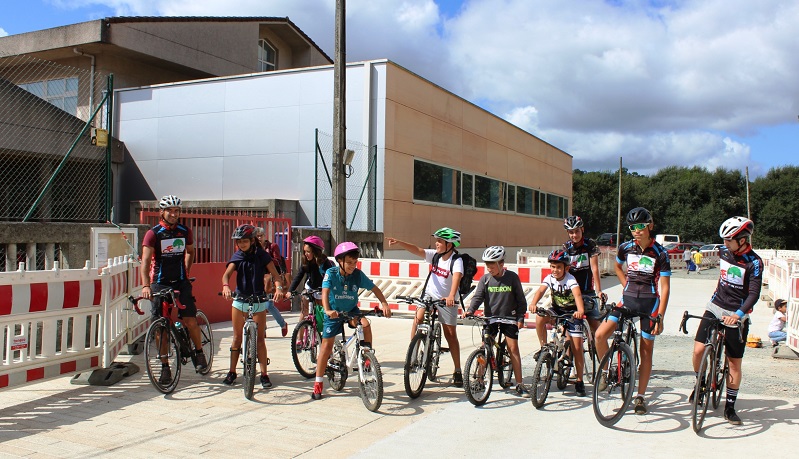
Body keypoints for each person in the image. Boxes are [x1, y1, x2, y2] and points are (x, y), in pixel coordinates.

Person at [595, 207, 671, 415]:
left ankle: (640, 396)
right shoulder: (625, 248)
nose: (636, 231)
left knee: (646, 352)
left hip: (650, 303)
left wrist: (660, 316)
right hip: (627, 299)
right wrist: (625, 285)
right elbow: (618, 267)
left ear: (650, 226)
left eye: (640, 226)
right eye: (632, 228)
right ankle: (605, 371)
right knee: (600, 335)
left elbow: (665, 287)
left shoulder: (660, 253)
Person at [691, 216, 762, 425]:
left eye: (729, 240)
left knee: (734, 363)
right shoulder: (723, 252)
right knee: (697, 350)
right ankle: (701, 382)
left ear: (742, 239)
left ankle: (730, 406)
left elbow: (754, 295)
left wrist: (738, 315)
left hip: (737, 312)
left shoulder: (754, 262)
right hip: (715, 305)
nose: (724, 244)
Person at [312, 242, 392, 400]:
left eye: (355, 262)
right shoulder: (331, 273)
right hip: (334, 312)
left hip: (351, 311)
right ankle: (318, 382)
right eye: (349, 262)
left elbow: (374, 288)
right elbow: (325, 292)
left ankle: (367, 357)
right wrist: (328, 310)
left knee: (366, 324)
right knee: (326, 347)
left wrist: (384, 304)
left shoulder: (357, 275)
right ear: (339, 261)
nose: (352, 266)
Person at [140, 195, 208, 381]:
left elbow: (191, 252)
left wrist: (186, 270)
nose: (173, 213)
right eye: (169, 210)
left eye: (176, 210)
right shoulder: (153, 233)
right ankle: (164, 367)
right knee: (160, 327)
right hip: (160, 283)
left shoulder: (184, 231)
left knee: (190, 320)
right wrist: (146, 286)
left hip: (180, 282)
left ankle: (199, 352)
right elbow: (145, 262)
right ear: (161, 212)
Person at [387, 227, 464, 387]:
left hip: (446, 299)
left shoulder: (456, 261)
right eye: (436, 240)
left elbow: (456, 278)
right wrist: (400, 242)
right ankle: (413, 355)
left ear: (450, 244)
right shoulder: (435, 256)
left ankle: (457, 369)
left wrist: (451, 296)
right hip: (428, 295)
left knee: (450, 335)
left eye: (440, 241)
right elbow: (418, 250)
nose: (436, 243)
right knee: (418, 319)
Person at [220, 224, 286, 388]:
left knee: (260, 340)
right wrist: (226, 286)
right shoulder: (238, 256)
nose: (241, 245)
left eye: (244, 241)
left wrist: (278, 288)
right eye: (238, 242)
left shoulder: (262, 255)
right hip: (240, 301)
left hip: (258, 301)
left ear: (252, 240)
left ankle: (264, 374)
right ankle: (232, 372)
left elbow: (276, 275)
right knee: (236, 338)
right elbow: (226, 275)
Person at [464, 246, 528, 396]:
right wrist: (470, 310)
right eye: (487, 265)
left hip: (509, 318)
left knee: (513, 348)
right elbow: (478, 297)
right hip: (491, 318)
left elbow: (521, 300)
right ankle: (479, 380)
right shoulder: (485, 279)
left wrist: (520, 317)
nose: (489, 268)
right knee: (484, 347)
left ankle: (519, 384)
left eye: (492, 265)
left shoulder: (512, 277)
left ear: (501, 263)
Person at [529, 249, 588, 396]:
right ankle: (543, 347)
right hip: (557, 310)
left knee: (577, 347)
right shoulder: (550, 278)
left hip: (572, 312)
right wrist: (534, 303)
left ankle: (580, 381)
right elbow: (540, 291)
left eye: (559, 267)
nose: (555, 270)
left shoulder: (570, 280)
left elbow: (577, 295)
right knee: (540, 317)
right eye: (553, 267)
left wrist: (580, 310)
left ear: (566, 268)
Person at [545, 215, 603, 338]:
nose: (574, 235)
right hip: (570, 293)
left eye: (576, 231)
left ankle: (603, 356)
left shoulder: (590, 245)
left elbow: (595, 269)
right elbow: (562, 271)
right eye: (571, 232)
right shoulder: (566, 247)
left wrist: (599, 291)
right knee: (567, 332)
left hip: (587, 292)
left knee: (597, 329)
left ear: (582, 229)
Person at [288, 235, 334, 317]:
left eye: (308, 252)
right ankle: (300, 329)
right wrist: (290, 290)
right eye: (304, 251)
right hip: (310, 287)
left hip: (322, 289)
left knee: (323, 315)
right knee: (304, 313)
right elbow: (299, 276)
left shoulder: (324, 262)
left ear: (316, 251)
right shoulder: (306, 262)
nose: (306, 254)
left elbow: (332, 277)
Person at [264, 242, 289, 337]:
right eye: (257, 236)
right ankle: (263, 329)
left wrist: (265, 258)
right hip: (259, 279)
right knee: (258, 305)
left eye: (261, 235)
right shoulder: (254, 248)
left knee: (268, 305)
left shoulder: (272, 247)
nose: (259, 238)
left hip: (271, 279)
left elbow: (278, 261)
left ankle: (282, 324)